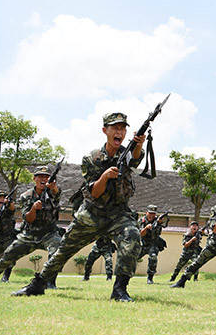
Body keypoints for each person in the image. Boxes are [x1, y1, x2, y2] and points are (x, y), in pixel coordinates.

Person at [12, 112, 146, 301]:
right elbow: (93, 193)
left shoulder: (127, 153)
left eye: (123, 128)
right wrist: (105, 176)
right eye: (115, 128)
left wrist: (139, 143)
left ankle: (119, 290)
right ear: (104, 130)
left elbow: (135, 159)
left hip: (118, 214)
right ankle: (38, 283)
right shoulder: (92, 158)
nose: (120, 132)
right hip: (91, 213)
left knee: (132, 236)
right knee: (64, 249)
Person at [0, 166, 63, 289]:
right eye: (40, 176)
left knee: (57, 250)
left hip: (49, 233)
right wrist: (34, 208)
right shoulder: (26, 196)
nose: (43, 179)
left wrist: (54, 187)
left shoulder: (53, 191)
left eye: (46, 177)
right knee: (9, 255)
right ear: (34, 178)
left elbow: (57, 193)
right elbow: (28, 218)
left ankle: (51, 282)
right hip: (30, 234)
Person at [138, 205, 166, 284]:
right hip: (142, 243)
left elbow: (158, 233)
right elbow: (140, 234)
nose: (151, 215)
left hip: (152, 244)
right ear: (146, 213)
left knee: (153, 257)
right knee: (133, 258)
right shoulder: (141, 220)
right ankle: (126, 275)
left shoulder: (158, 221)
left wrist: (158, 224)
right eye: (150, 213)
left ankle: (150, 278)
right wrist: (146, 228)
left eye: (153, 214)